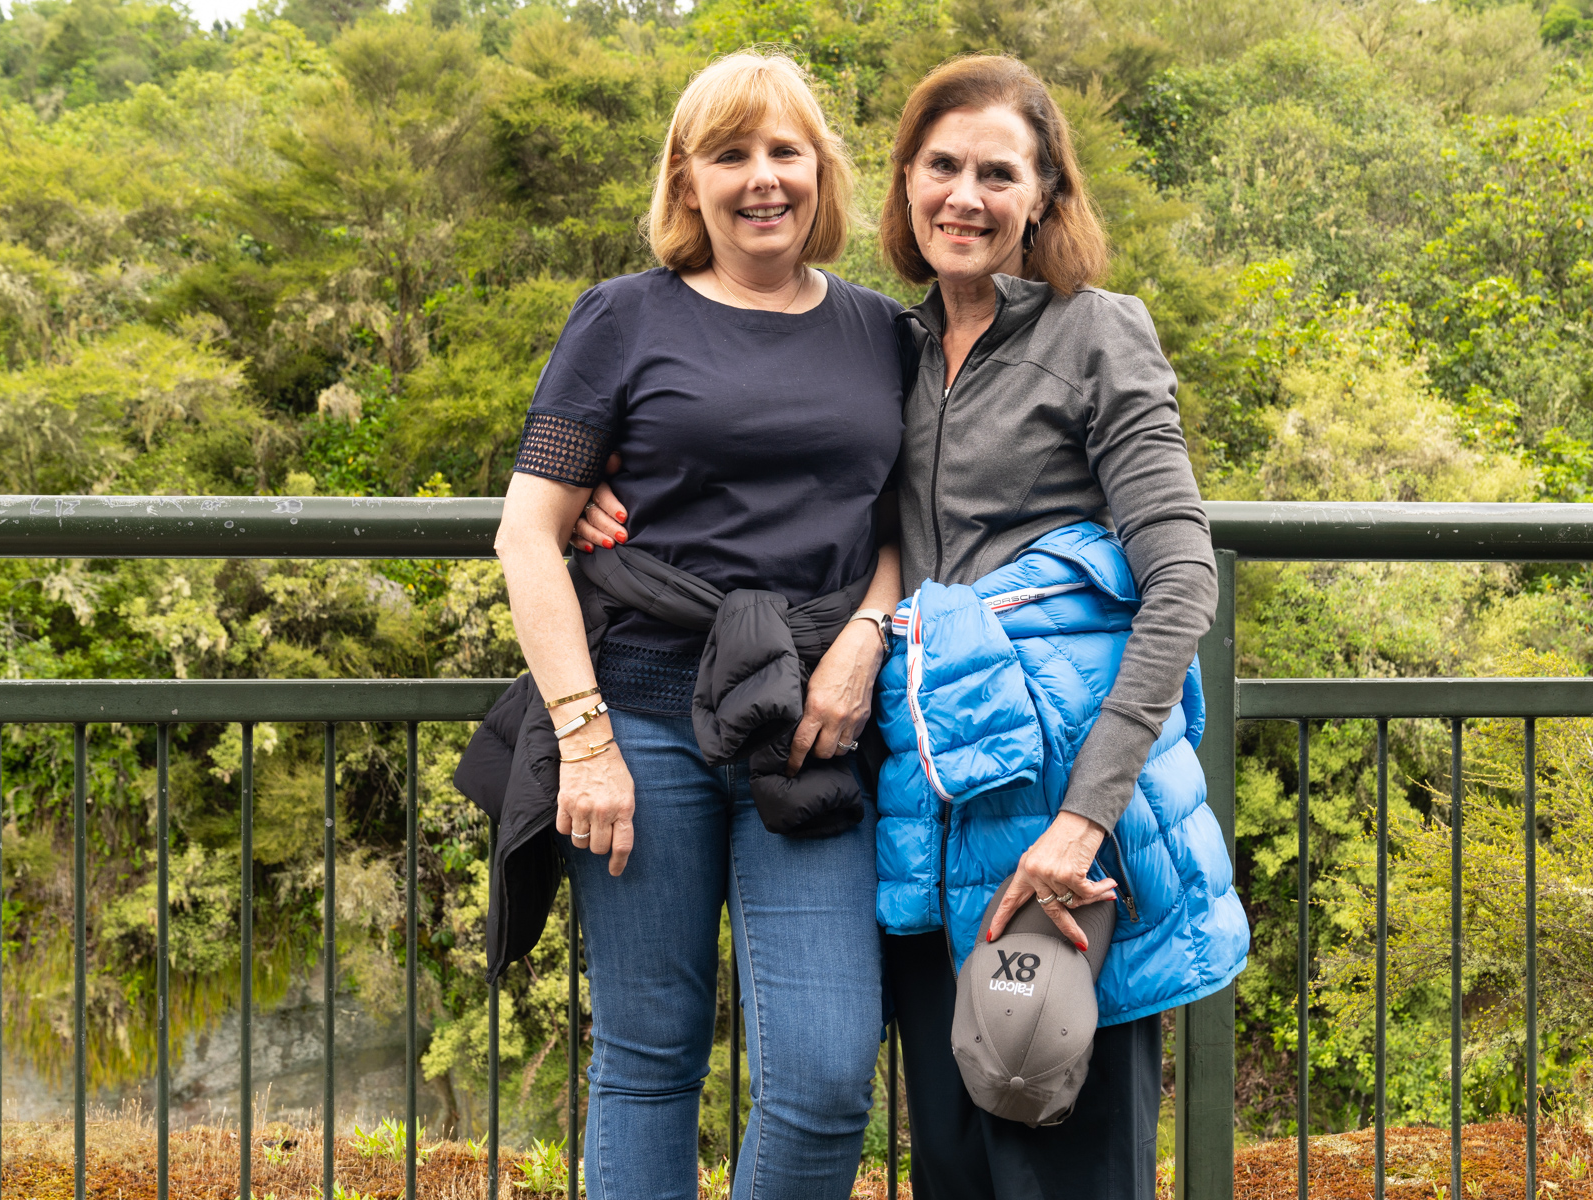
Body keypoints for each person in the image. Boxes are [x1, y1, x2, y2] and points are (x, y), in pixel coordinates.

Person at [576, 52, 1245, 1199]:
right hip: (921, 829)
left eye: (999, 173)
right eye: (941, 167)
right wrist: (612, 494)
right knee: (952, 1157)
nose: (965, 198)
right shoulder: (894, 345)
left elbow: (1181, 581)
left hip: (1057, 821)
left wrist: (1084, 828)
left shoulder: (1097, 334)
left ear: (1045, 197)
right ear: (902, 184)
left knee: (1065, 1150)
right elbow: (799, 482)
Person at [493, 50, 904, 1200]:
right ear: (687, 180)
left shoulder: (884, 334)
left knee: (827, 1077)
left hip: (813, 725)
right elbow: (531, 533)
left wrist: (869, 637)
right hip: (640, 716)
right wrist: (584, 741)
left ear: (822, 173)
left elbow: (907, 525)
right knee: (649, 1058)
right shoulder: (623, 319)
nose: (761, 179)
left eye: (785, 152)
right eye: (729, 155)